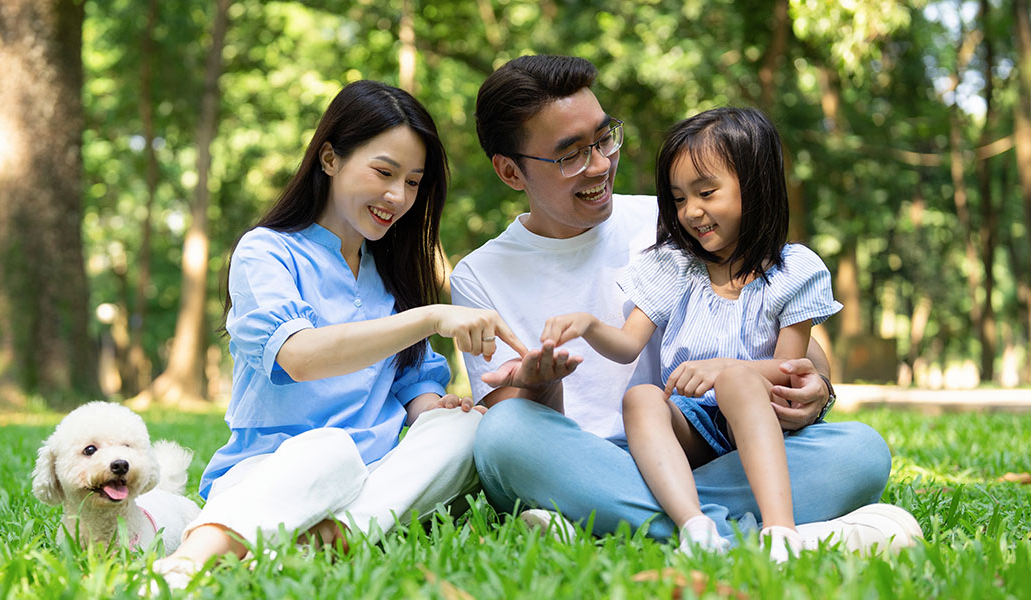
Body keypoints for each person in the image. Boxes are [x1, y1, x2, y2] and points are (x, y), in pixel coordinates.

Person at [452, 55, 921, 554]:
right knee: (502, 436)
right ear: (510, 171)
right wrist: (543, 388)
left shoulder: (672, 222)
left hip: (703, 452)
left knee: (862, 451)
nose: (600, 163)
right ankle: (767, 533)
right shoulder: (478, 275)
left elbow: (794, 340)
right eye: (570, 154)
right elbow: (518, 420)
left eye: (604, 137)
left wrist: (816, 387)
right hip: (581, 460)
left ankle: (613, 523)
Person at [153, 80, 525, 587]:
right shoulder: (266, 251)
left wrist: (436, 408)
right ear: (330, 158)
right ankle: (190, 561)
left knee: (467, 430)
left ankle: (327, 539)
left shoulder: (394, 272)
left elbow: (412, 385)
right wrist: (432, 317)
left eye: (414, 182)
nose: (398, 196)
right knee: (330, 448)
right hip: (275, 474)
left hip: (375, 480)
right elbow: (300, 357)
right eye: (384, 172)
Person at [541, 107, 842, 561]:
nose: (692, 212)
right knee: (641, 397)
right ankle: (695, 525)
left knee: (741, 382)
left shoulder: (793, 271)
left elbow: (789, 370)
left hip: (762, 420)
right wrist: (587, 325)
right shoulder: (674, 265)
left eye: (706, 193)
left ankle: (781, 532)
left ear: (756, 187)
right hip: (694, 427)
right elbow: (626, 347)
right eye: (679, 199)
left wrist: (725, 369)